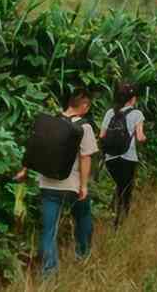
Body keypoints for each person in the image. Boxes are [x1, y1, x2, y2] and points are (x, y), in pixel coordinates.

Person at [14, 89, 97, 276]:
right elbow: (85, 158)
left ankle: (48, 273)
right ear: (83, 106)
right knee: (83, 219)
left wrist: (24, 170)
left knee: (49, 230)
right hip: (73, 186)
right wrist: (83, 186)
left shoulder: (49, 123)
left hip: (48, 184)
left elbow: (34, 149)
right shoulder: (84, 127)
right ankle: (82, 256)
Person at [100, 81, 146, 228]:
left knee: (116, 186)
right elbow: (140, 137)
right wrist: (144, 138)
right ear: (132, 99)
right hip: (128, 158)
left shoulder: (110, 113)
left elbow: (102, 135)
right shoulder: (137, 114)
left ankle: (112, 216)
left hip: (110, 158)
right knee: (125, 190)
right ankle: (121, 222)